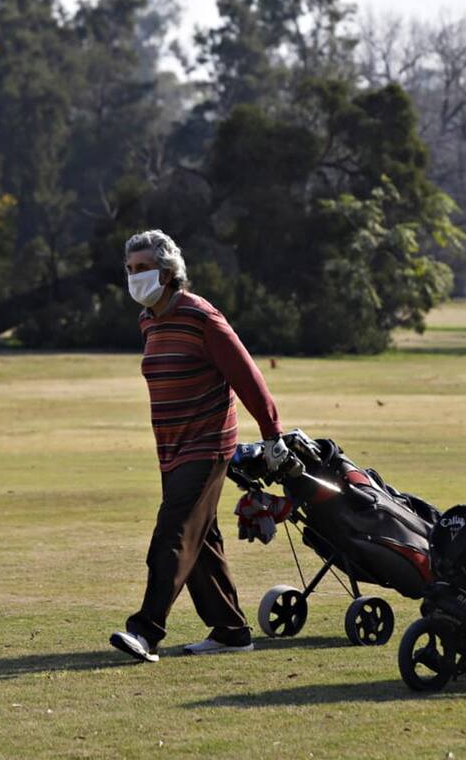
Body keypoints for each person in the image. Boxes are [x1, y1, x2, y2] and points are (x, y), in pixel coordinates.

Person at [109, 229, 291, 663]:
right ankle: (231, 631)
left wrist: (272, 434)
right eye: (130, 269)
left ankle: (146, 631)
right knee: (201, 540)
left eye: (144, 269)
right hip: (170, 448)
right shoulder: (149, 320)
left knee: (172, 533)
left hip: (208, 446)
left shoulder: (202, 317)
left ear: (169, 272)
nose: (135, 277)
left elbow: (248, 377)